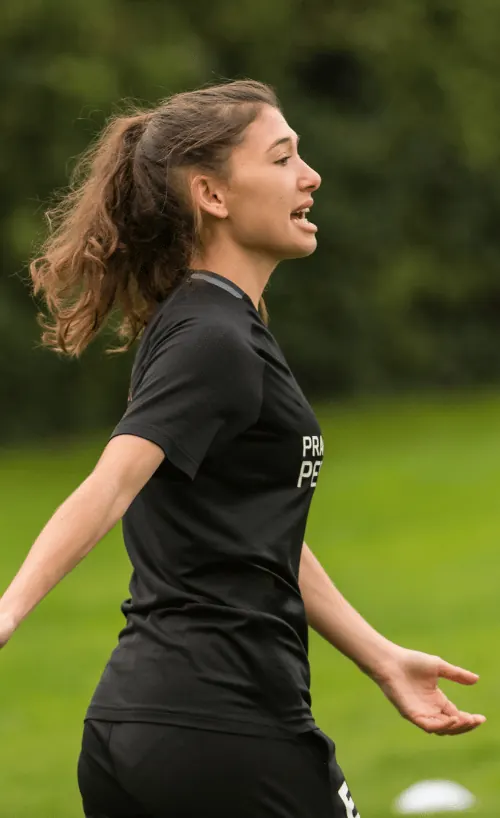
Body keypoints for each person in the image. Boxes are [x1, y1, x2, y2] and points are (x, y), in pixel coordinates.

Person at [0, 80, 485, 818]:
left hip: (144, 726)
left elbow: (258, 527)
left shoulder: (211, 322)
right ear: (212, 195)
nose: (311, 175)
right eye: (284, 157)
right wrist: (8, 611)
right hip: (223, 729)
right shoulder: (212, 338)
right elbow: (111, 483)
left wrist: (378, 656)